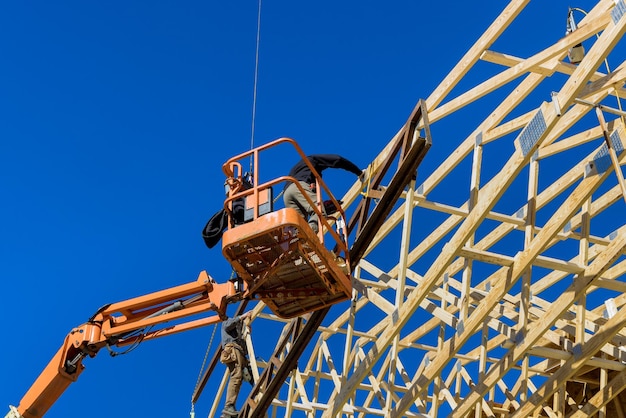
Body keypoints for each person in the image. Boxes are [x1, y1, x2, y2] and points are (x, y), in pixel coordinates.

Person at [283, 154, 363, 234]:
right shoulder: (312, 160)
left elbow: (305, 201)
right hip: (299, 186)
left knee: (299, 226)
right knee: (319, 212)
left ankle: (296, 243)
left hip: (287, 193)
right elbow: (338, 160)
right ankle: (307, 239)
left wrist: (326, 207)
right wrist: (359, 172)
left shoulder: (299, 169)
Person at [220, 310, 253, 417]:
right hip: (233, 350)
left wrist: (247, 334)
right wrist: (242, 316)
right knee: (236, 376)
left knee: (246, 375)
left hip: (240, 352)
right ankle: (228, 406)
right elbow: (228, 325)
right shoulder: (227, 322)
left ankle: (257, 386)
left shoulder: (237, 336)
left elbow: (246, 350)